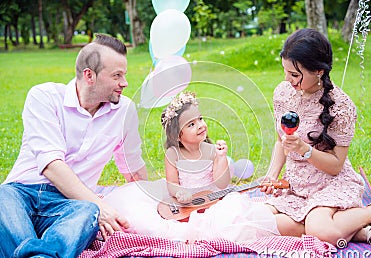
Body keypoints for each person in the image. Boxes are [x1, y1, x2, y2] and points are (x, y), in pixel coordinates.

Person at [0, 33, 147, 258]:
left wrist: (156, 199)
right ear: (89, 75)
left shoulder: (124, 111)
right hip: (21, 193)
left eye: (124, 75)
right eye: (117, 75)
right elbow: (51, 165)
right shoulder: (44, 96)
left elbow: (134, 168)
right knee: (1, 197)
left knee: (88, 213)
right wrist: (102, 205)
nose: (125, 83)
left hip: (70, 205)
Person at [260, 28, 371, 249]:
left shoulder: (341, 106)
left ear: (318, 71)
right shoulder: (283, 92)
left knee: (319, 230)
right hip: (296, 184)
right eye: (285, 71)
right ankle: (363, 232)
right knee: (261, 221)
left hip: (330, 182)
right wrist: (271, 176)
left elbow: (335, 166)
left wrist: (303, 149)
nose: (288, 80)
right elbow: (281, 141)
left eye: (295, 75)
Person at [103, 91, 279, 242]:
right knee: (145, 217)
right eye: (191, 124)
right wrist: (179, 192)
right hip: (183, 203)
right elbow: (171, 183)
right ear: (178, 136)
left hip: (210, 202)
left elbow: (222, 183)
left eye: (200, 119)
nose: (201, 125)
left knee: (231, 219)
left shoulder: (211, 151)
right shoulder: (173, 154)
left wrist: (221, 158)